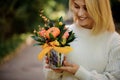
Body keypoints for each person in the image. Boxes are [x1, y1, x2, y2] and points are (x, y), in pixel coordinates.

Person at [43, 0, 120, 80]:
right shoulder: (61, 34)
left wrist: (80, 73)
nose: (80, 13)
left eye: (86, 8)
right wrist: (56, 71)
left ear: (99, 9)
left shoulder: (113, 40)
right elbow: (49, 77)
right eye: (76, 6)